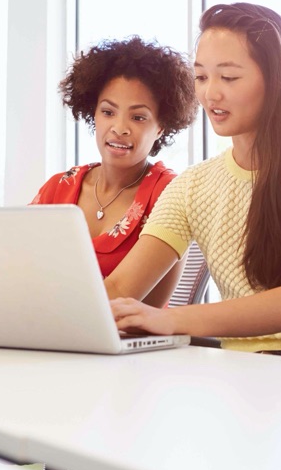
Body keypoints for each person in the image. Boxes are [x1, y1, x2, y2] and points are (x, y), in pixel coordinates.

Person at [106, 2, 281, 354]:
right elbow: (119, 288)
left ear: (276, 80)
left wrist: (171, 319)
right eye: (202, 77)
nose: (210, 94)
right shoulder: (192, 186)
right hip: (244, 375)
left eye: (229, 77)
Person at [31, 35, 198, 304]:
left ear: (160, 127)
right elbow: (14, 268)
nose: (119, 128)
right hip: (49, 335)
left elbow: (126, 302)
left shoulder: (169, 194)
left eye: (138, 117)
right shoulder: (57, 188)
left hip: (129, 341)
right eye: (108, 112)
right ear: (92, 113)